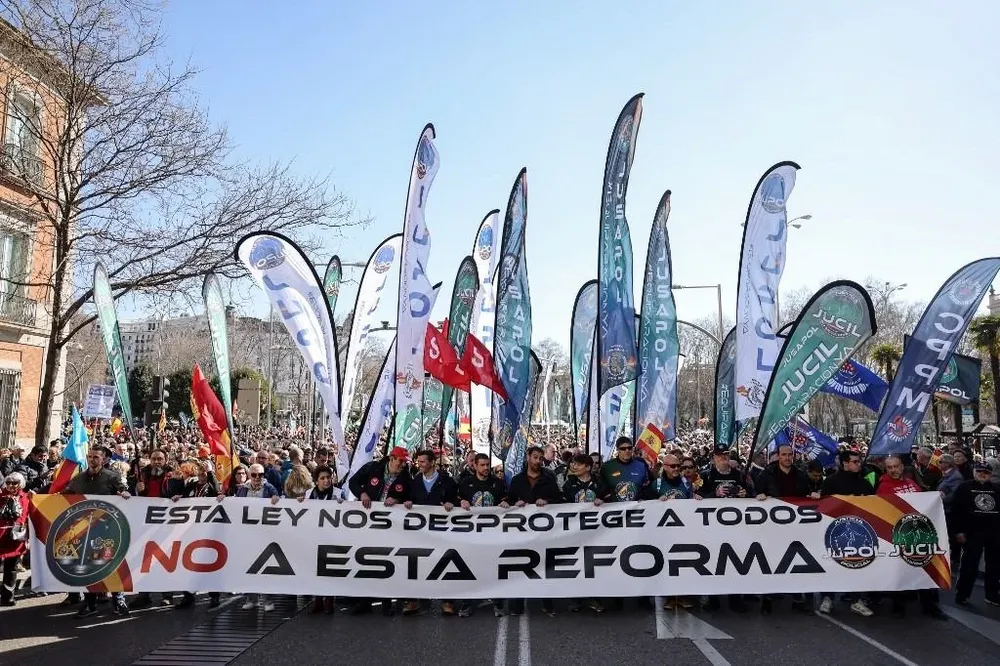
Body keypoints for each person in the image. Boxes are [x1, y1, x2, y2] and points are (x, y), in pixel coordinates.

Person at [63, 446, 131, 618]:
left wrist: (126, 494)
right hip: (84, 530)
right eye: (90, 456)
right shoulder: (78, 479)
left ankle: (119, 599)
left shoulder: (113, 478)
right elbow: (66, 494)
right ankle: (90, 603)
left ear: (104, 460)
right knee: (88, 568)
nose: (92, 459)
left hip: (107, 530)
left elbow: (126, 493)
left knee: (111, 564)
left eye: (96, 457)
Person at [877, 455, 947, 620]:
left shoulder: (911, 483)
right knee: (900, 572)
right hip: (900, 535)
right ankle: (898, 606)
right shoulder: (884, 487)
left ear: (902, 466)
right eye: (890, 467)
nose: (893, 470)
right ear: (886, 469)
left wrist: (936, 498)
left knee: (925, 570)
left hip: (919, 534)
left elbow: (923, 503)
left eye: (896, 466)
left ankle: (929, 606)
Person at [755, 443, 818, 615]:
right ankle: (767, 599)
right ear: (778, 456)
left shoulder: (800, 474)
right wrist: (759, 496)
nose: (787, 457)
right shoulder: (767, 474)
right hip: (773, 527)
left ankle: (798, 598)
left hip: (795, 527)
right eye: (784, 454)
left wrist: (812, 496)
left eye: (790, 454)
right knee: (773, 562)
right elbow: (756, 492)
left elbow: (807, 494)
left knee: (795, 561)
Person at [818, 449, 875, 618]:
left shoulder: (864, 483)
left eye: (859, 461)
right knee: (831, 565)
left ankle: (856, 600)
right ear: (845, 464)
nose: (859, 464)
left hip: (858, 531)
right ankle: (827, 598)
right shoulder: (830, 482)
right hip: (834, 531)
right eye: (855, 462)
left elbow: (874, 505)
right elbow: (823, 505)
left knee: (855, 565)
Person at [403, 449, 459, 616]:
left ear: (432, 462)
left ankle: (447, 601)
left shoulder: (447, 481)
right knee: (416, 564)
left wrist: (451, 503)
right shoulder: (416, 481)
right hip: (420, 532)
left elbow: (455, 499)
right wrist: (407, 502)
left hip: (441, 530)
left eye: (422, 462)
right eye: (418, 462)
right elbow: (411, 498)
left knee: (443, 563)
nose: (419, 465)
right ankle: (414, 601)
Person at [507, 445, 561, 617]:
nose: (538, 461)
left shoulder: (549, 479)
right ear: (528, 457)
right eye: (535, 457)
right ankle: (517, 605)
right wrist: (515, 504)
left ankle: (547, 603)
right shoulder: (517, 480)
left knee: (544, 567)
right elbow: (509, 501)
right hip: (521, 532)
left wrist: (547, 501)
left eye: (540, 458)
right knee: (520, 566)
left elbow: (559, 500)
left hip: (542, 533)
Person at [457, 453, 508, 618]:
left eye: (488, 465)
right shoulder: (465, 483)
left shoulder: (498, 483)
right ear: (475, 466)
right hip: (471, 535)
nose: (486, 468)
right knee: (470, 568)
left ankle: (497, 602)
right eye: (482, 465)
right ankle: (467, 602)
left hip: (493, 535)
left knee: (494, 568)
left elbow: (508, 501)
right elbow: (454, 500)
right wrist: (460, 503)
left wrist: (506, 504)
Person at [170, 460, 222, 609]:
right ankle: (188, 595)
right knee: (189, 562)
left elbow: (217, 491)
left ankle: (214, 596)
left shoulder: (212, 485)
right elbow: (182, 497)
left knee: (211, 562)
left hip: (209, 529)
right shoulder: (191, 486)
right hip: (191, 530)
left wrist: (211, 473)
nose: (202, 474)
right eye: (200, 470)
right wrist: (178, 499)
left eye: (205, 471)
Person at [231, 463, 280, 611]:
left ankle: (267, 600)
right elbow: (236, 506)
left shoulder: (269, 488)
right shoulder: (242, 490)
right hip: (248, 533)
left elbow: (278, 500)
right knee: (249, 566)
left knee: (265, 567)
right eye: (254, 475)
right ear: (249, 475)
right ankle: (251, 598)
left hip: (265, 533)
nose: (258, 478)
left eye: (261, 475)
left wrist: (276, 498)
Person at [952, 461, 1000, 607]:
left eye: (986, 472)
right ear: (974, 472)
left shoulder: (997, 488)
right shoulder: (964, 487)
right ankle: (962, 594)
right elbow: (956, 511)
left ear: (990, 474)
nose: (982, 474)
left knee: (994, 565)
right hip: (972, 532)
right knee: (969, 564)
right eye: (979, 471)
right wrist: (958, 531)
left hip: (993, 532)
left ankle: (992, 595)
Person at [0, 472, 29, 607]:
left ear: (20, 484)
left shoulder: (25, 497)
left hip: (15, 536)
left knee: (11, 568)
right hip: (1, 535)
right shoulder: (1, 496)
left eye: (15, 483)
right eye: (9, 482)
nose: (11, 485)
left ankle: (8, 596)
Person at [601, 436, 650, 502]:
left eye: (629, 448)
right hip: (614, 509)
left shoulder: (641, 465)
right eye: (623, 448)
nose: (627, 451)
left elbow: (648, 486)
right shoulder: (607, 467)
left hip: (636, 508)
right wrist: (602, 498)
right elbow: (601, 488)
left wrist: (644, 497)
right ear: (618, 450)